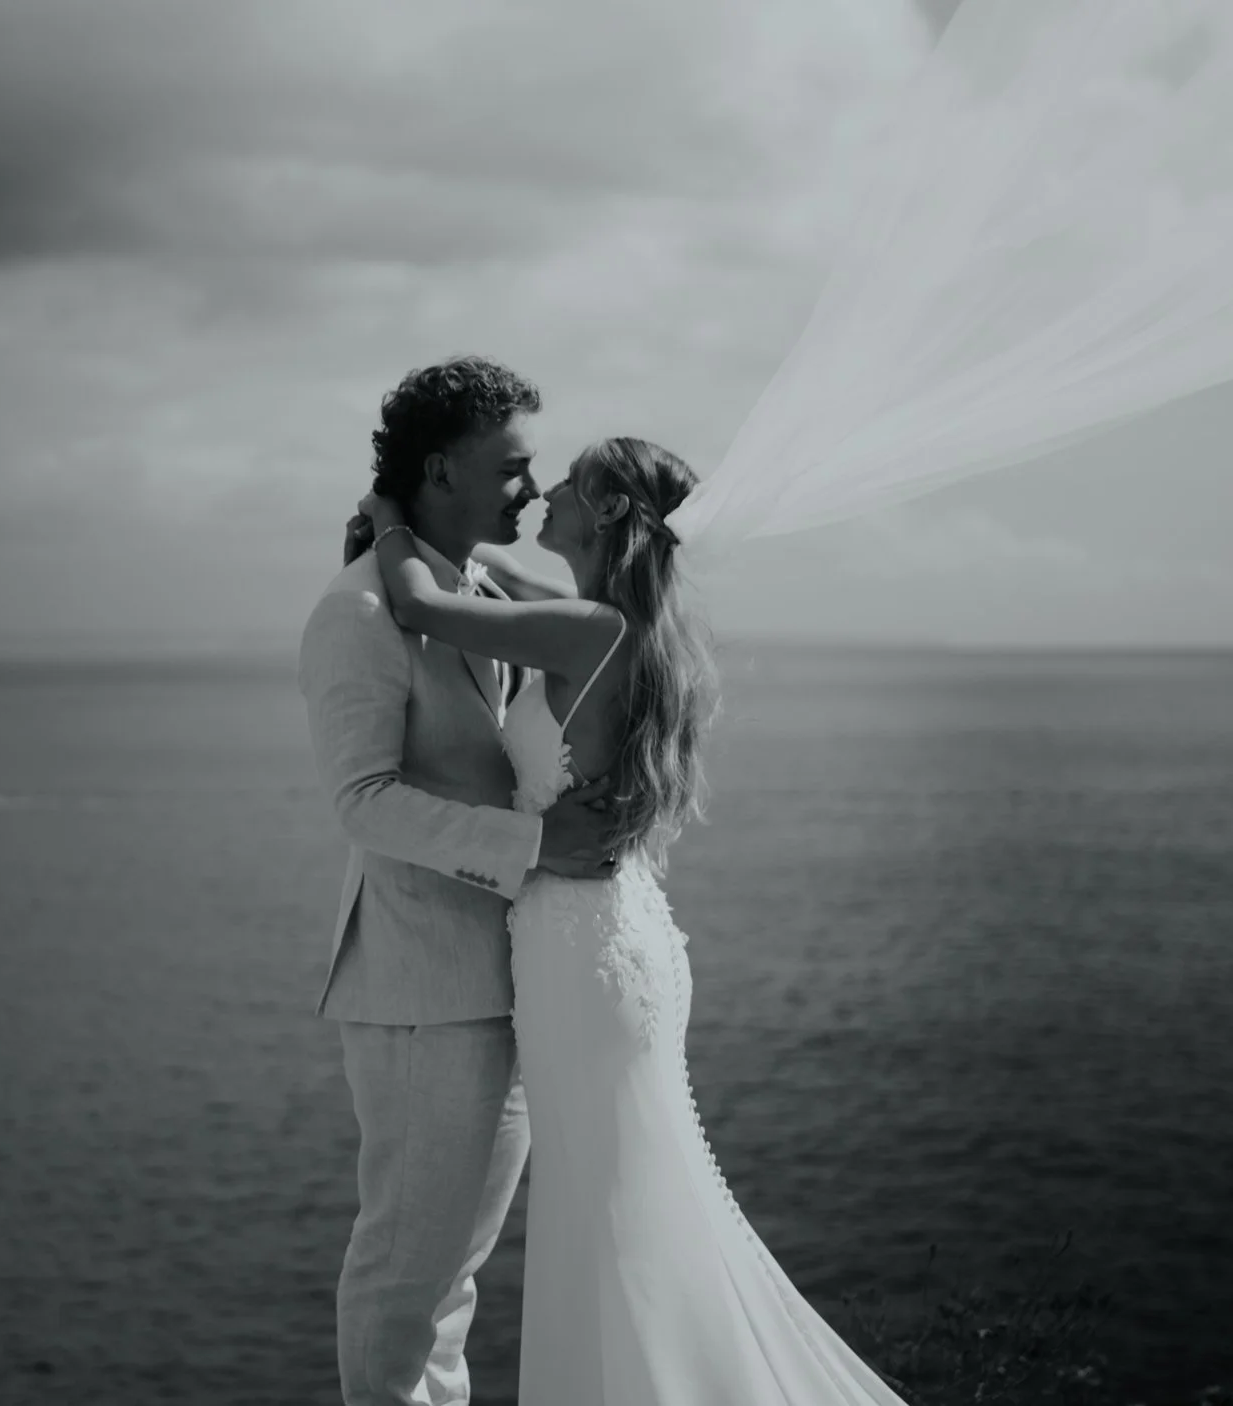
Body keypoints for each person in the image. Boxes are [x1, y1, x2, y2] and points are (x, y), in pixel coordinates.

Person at [359, 435, 913, 1404]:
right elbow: (491, 582)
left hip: (580, 949)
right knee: (628, 1204)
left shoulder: (588, 631)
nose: (548, 493)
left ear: (609, 511)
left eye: (569, 482)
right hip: (617, 933)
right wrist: (462, 546)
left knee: (607, 1216)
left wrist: (394, 512)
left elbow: (416, 604)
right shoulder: (614, 625)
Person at [295, 354, 620, 1406]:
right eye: (514, 466)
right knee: (403, 1273)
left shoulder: (470, 591)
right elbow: (362, 799)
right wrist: (535, 849)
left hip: (508, 980)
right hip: (421, 991)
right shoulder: (355, 614)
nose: (532, 487)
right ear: (442, 470)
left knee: (453, 1281)